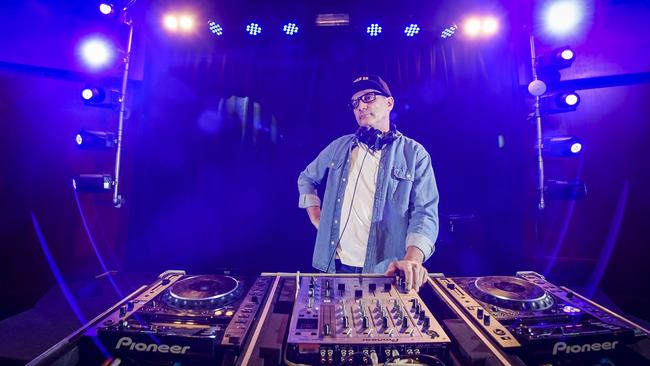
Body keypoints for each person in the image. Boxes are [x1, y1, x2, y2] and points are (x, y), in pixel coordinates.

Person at [297, 75, 440, 291]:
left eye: (369, 97)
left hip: (386, 270)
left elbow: (425, 213)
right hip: (333, 267)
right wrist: (317, 217)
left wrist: (413, 260)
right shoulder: (339, 146)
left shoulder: (414, 154)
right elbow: (306, 178)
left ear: (389, 103)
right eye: (355, 102)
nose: (360, 106)